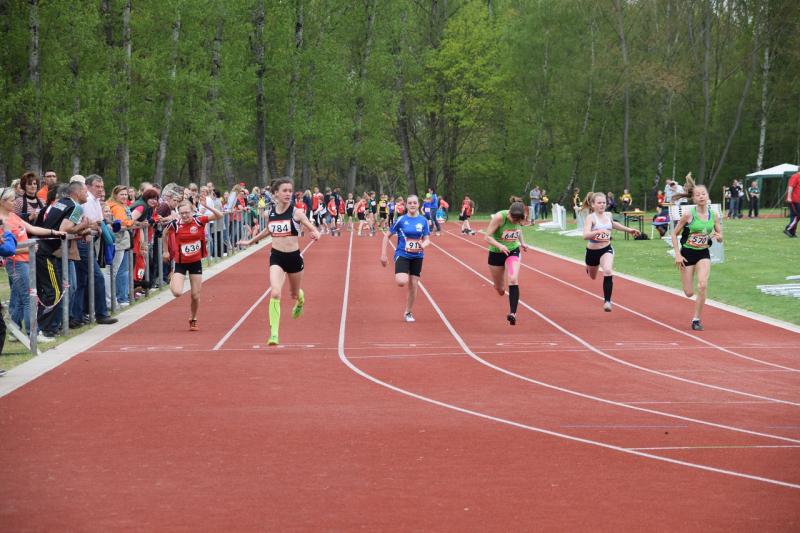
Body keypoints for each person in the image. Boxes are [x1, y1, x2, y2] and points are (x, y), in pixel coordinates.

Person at [238, 178, 320, 346]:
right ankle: (274, 334)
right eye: (284, 190)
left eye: (290, 191)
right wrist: (250, 241)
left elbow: (312, 227)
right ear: (276, 193)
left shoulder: (296, 213)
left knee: (294, 294)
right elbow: (268, 230)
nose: (288, 194)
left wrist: (316, 233)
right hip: (277, 257)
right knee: (275, 292)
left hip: (294, 258)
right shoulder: (271, 213)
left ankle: (300, 300)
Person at [0, 187, 65, 337]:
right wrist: (26, 249)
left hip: (26, 261)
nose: (15, 203)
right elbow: (4, 249)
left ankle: (15, 332)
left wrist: (53, 232)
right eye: (12, 200)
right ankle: (33, 334)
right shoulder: (2, 221)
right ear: (2, 202)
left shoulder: (13, 216)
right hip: (16, 262)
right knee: (29, 297)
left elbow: (32, 228)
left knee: (18, 298)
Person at [671, 174, 723, 331]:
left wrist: (718, 236)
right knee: (688, 292)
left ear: (707, 196)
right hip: (687, 254)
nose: (701, 196)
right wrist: (678, 254)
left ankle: (696, 319)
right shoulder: (688, 215)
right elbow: (674, 234)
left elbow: (720, 236)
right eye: (698, 194)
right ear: (693, 198)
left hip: (703, 253)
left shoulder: (713, 215)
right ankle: (694, 307)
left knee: (702, 285)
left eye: (703, 194)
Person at [161, 199, 223, 330]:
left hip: (195, 262)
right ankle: (172, 278)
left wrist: (207, 207)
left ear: (192, 211)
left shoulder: (199, 220)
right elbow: (164, 233)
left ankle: (193, 318)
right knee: (177, 293)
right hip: (181, 263)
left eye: (187, 212)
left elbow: (219, 216)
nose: (185, 215)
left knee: (195, 295)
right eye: (182, 213)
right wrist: (165, 251)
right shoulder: (175, 224)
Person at [582, 192, 640, 312]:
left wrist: (629, 230)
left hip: (606, 249)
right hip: (592, 252)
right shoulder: (591, 218)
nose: (602, 205)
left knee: (608, 270)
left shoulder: (608, 215)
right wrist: (596, 232)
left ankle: (607, 301)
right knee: (593, 277)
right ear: (593, 204)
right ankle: (588, 266)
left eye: (604, 202)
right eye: (599, 203)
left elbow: (613, 224)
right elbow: (585, 235)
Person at [380, 195, 430, 322]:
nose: (412, 205)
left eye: (414, 203)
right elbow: (386, 236)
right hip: (402, 254)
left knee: (414, 284)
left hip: (417, 256)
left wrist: (423, 245)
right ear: (406, 205)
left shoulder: (423, 221)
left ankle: (408, 312)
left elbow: (427, 239)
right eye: (410, 203)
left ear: (418, 205)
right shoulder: (401, 220)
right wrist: (383, 255)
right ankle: (403, 271)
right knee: (401, 281)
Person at [485, 198, 529, 325]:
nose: (512, 220)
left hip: (512, 251)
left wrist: (522, 243)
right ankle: (498, 286)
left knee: (513, 279)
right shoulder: (500, 217)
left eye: (516, 220)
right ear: (509, 212)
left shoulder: (519, 219)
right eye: (511, 217)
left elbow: (518, 230)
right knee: (500, 289)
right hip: (496, 252)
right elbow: (486, 237)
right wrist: (500, 246)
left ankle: (513, 313)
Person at [785, 171, 800, 238]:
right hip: (795, 200)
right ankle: (789, 229)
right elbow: (790, 187)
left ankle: (792, 232)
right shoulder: (795, 176)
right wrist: (789, 197)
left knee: (795, 216)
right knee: (797, 216)